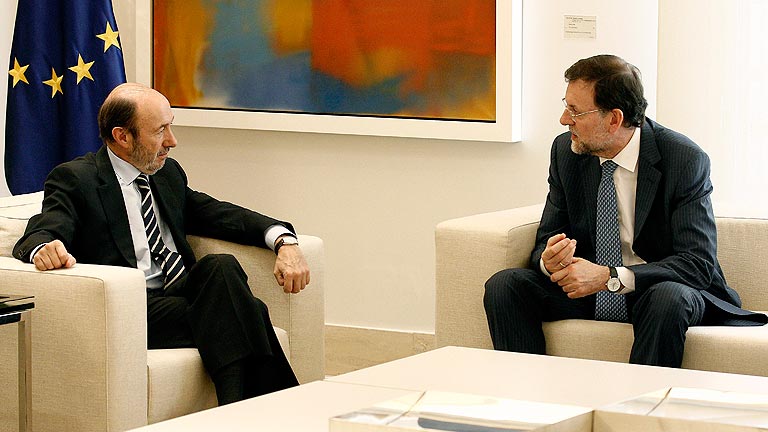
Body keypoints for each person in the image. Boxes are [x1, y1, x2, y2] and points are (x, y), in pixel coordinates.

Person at [13, 82, 311, 405]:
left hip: (182, 297)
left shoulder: (166, 174)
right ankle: (279, 407)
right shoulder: (76, 179)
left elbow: (217, 214)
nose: (172, 140)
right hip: (135, 306)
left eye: (170, 126)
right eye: (160, 131)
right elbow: (42, 231)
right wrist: (44, 248)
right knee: (245, 309)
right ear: (122, 137)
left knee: (221, 267)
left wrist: (282, 239)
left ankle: (235, 410)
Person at [483, 54, 767, 368]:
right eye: (566, 106)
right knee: (505, 285)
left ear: (614, 119)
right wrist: (549, 261)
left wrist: (609, 277)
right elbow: (547, 238)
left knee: (667, 297)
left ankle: (639, 400)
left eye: (575, 111)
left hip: (655, 291)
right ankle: (527, 393)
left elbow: (696, 264)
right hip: (588, 294)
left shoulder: (683, 158)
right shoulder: (566, 152)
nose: (564, 119)